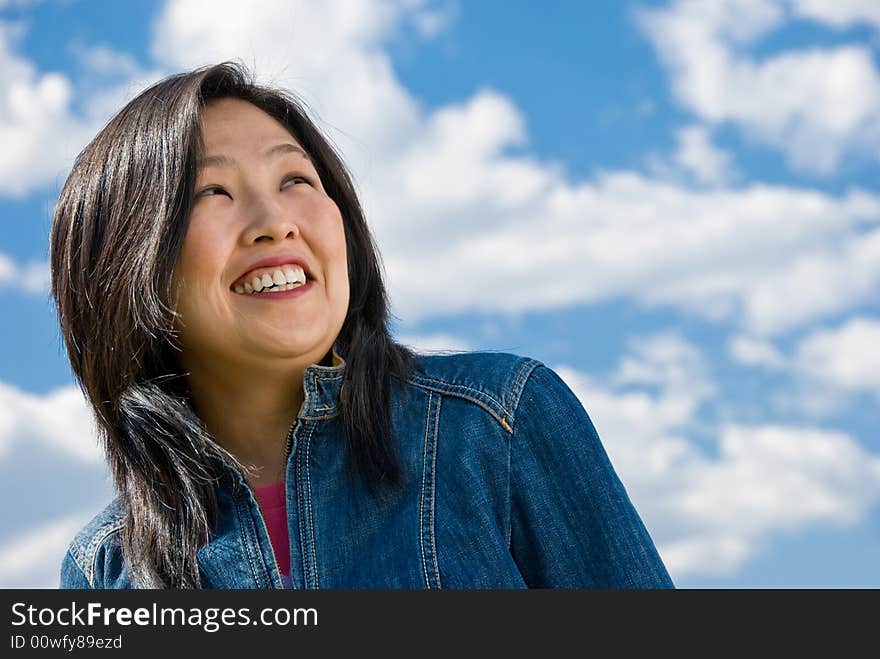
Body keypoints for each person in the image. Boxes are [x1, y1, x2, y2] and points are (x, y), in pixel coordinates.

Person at [52, 61, 674, 589]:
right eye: (210, 192)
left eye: (295, 179)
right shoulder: (104, 569)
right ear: (127, 265)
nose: (275, 220)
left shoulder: (499, 424)